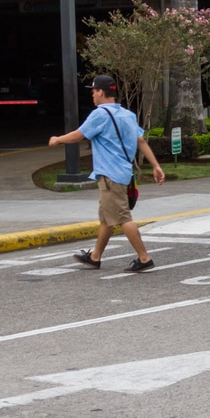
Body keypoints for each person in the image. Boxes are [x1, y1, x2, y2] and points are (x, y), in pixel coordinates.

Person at [49, 75, 164, 272]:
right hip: (123, 173)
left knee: (122, 217)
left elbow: (78, 135)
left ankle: (144, 258)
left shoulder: (99, 115)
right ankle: (95, 257)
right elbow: (141, 141)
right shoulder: (127, 115)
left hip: (110, 175)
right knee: (106, 218)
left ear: (101, 92)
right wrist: (156, 165)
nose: (92, 95)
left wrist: (58, 139)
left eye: (93, 91)